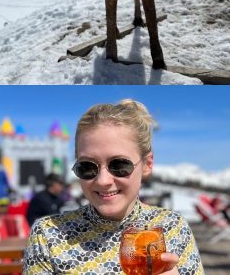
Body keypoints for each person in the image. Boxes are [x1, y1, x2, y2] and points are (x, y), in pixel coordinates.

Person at [23, 100, 204, 274]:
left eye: (119, 165)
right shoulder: (49, 234)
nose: (103, 181)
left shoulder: (172, 228)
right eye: (87, 167)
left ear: (147, 164)